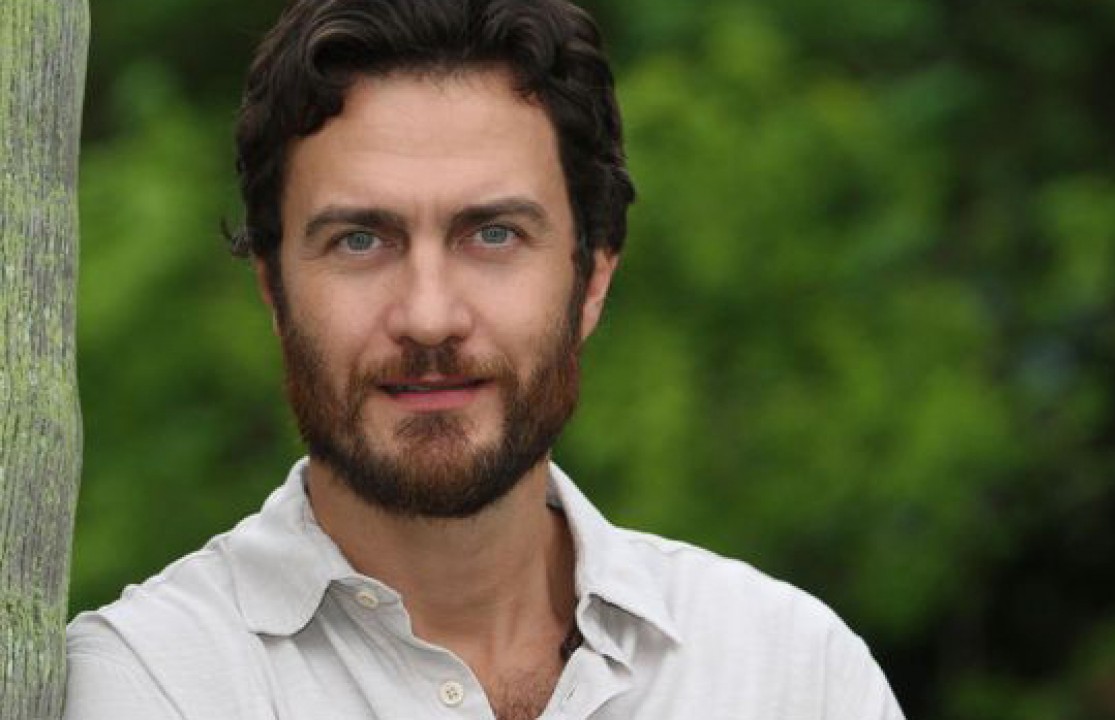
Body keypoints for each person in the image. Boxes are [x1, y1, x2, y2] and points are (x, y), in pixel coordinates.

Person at [64, 1, 905, 718]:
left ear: (592, 279)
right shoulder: (151, 685)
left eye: (493, 234)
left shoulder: (790, 675)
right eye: (360, 239)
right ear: (274, 292)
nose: (429, 316)